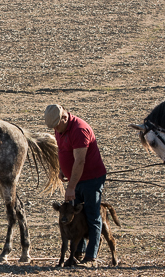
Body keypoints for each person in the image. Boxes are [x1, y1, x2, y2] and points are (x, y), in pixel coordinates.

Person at [45, 104, 107, 266]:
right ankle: (77, 254)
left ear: (64, 118)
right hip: (76, 178)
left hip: (90, 179)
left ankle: (91, 257)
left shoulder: (79, 130)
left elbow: (80, 161)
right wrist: (61, 169)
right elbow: (62, 150)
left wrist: (71, 187)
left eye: (56, 125)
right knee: (77, 217)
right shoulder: (60, 129)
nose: (55, 130)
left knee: (92, 216)